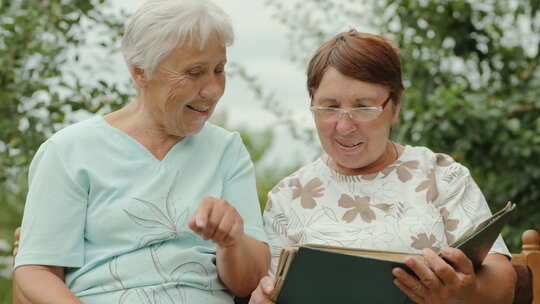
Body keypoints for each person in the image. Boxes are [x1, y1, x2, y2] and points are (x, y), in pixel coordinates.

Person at [13, 0, 270, 303]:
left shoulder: (227, 150)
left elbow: (250, 283)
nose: (213, 89)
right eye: (195, 72)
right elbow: (36, 270)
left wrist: (232, 242)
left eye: (219, 69)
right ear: (140, 72)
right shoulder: (69, 150)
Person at [249, 30, 516, 304]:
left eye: (364, 107)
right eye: (329, 107)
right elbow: (270, 288)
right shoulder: (288, 197)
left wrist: (464, 291)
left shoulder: (442, 177)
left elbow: (503, 283)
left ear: (396, 106)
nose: (344, 126)